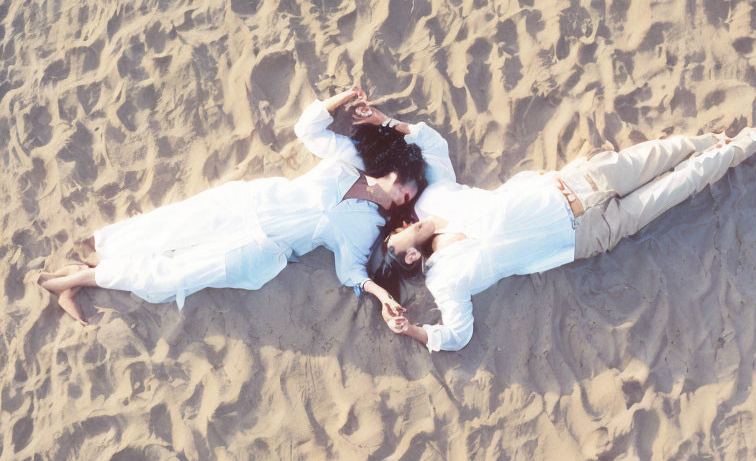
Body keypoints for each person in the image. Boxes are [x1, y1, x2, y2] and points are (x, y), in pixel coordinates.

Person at [38, 87, 452, 325]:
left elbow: (352, 272)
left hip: (256, 252)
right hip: (244, 204)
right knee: (165, 229)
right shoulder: (350, 161)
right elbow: (307, 128)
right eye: (410, 193)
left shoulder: (367, 226)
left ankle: (83, 279)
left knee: (174, 275)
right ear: (398, 177)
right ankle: (93, 262)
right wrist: (346, 98)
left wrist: (381, 296)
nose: (407, 203)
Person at [374, 121, 756, 351]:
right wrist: (411, 329)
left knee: (674, 149)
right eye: (399, 238)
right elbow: (457, 335)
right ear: (411, 259)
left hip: (579, 181)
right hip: (590, 233)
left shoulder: (434, 198)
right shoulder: (445, 280)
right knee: (682, 183)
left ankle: (752, 147)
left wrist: (385, 122)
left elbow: (431, 144)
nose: (403, 225)